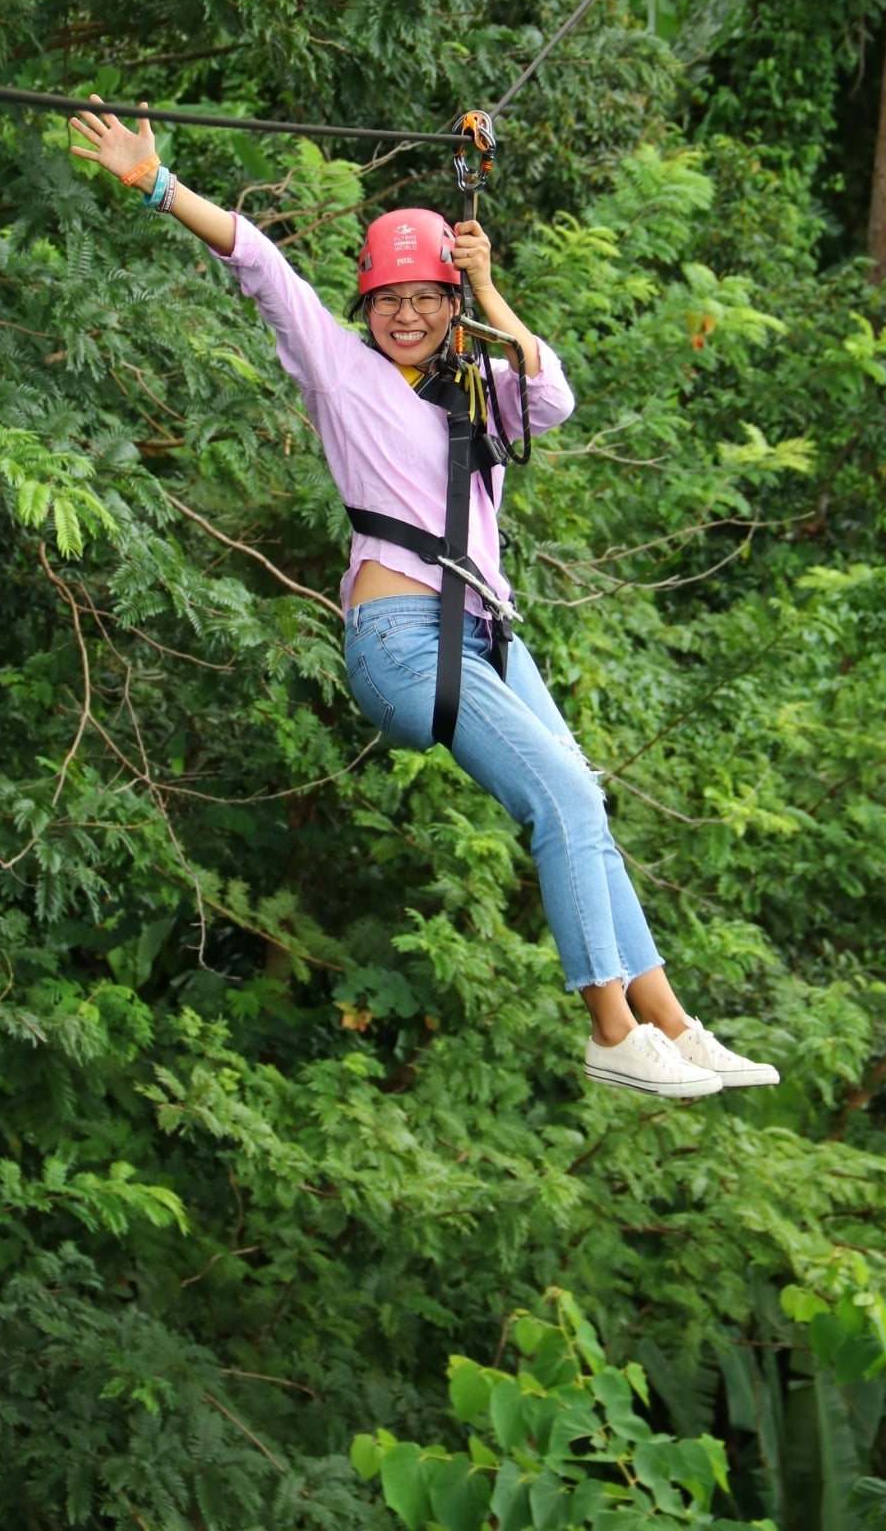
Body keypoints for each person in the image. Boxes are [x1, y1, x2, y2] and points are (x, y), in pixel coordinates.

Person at [69, 97, 781, 1102]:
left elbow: (555, 393)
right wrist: (156, 182)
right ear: (365, 306)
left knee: (589, 805)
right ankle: (612, 1029)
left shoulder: (477, 384)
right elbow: (264, 265)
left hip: (484, 632)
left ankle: (671, 1020)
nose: (407, 313)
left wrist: (488, 281)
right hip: (403, 640)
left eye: (427, 296)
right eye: (389, 297)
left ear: (451, 304)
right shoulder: (341, 371)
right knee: (564, 798)